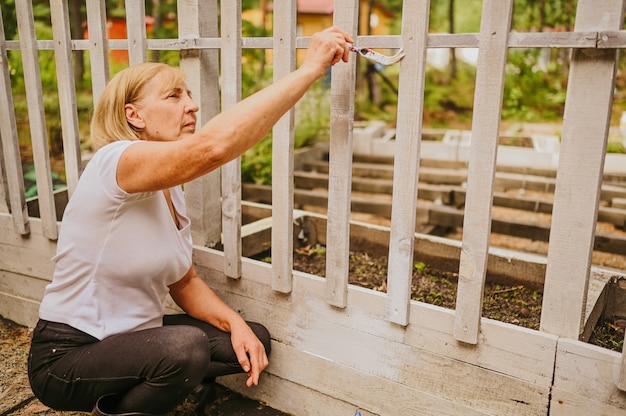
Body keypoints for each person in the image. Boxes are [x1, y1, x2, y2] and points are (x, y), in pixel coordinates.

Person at [27, 26, 354, 416]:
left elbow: (184, 281)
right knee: (185, 348)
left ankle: (138, 395)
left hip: (132, 342)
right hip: (67, 355)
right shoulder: (115, 162)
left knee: (251, 341)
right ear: (134, 115)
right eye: (174, 96)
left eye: (189, 95)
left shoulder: (169, 190)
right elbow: (213, 148)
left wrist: (236, 324)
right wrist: (310, 69)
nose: (193, 105)